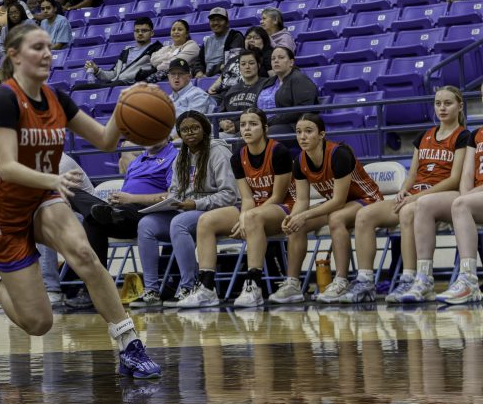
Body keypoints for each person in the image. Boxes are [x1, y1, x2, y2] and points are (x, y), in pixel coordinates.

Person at [0, 25, 161, 380]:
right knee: (38, 323)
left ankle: (129, 345)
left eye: (49, 47)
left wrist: (127, 102)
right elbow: (8, 167)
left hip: (42, 197)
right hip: (3, 208)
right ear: (14, 55)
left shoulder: (57, 99)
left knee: (83, 254)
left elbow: (106, 141)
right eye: (38, 47)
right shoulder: (4, 100)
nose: (48, 54)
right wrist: (54, 179)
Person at [338, 87, 471, 305]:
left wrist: (417, 197)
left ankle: (409, 278)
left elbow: (454, 179)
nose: (442, 108)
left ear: (460, 106)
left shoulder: (463, 136)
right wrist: (403, 189)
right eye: (438, 103)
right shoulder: (424, 136)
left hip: (442, 197)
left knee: (408, 211)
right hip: (416, 195)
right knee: (364, 215)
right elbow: (412, 174)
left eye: (448, 103)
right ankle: (365, 282)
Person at [179, 108, 294, 309]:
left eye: (253, 124)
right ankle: (206, 288)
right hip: (252, 209)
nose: (247, 129)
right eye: (243, 125)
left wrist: (247, 217)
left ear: (265, 128)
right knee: (206, 220)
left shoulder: (279, 152)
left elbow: (277, 196)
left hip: (282, 209)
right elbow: (247, 198)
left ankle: (253, 285)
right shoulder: (238, 156)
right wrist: (243, 217)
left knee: (252, 218)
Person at [267, 113, 383, 305]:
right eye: (299, 132)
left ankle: (341, 281)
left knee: (336, 218)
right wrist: (293, 217)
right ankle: (292, 285)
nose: (303, 136)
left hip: (367, 200)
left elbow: (338, 200)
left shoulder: (339, 154)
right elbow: (302, 200)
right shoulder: (300, 161)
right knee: (297, 225)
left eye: (308, 131)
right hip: (339, 205)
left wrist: (304, 215)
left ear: (321, 134)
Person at [128, 111, 238, 309]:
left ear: (205, 129)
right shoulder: (181, 156)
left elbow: (229, 195)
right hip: (186, 210)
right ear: (179, 133)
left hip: (216, 212)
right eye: (185, 130)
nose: (190, 133)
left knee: (179, 223)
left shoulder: (218, 152)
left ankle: (189, 286)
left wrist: (195, 204)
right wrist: (171, 202)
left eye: (195, 128)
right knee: (146, 224)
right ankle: (151, 290)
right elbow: (175, 191)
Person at [66, 135, 178, 306]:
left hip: (150, 213)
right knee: (74, 194)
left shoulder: (174, 157)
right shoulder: (137, 161)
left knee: (93, 219)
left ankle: (95, 291)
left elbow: (173, 196)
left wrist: (132, 198)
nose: (150, 135)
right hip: (124, 213)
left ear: (166, 135)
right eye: (147, 133)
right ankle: (108, 212)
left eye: (155, 132)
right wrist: (117, 199)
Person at [434, 103, 483, 304]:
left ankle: (468, 280)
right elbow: (467, 174)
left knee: (461, 205)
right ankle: (420, 278)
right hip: (478, 195)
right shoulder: (477, 134)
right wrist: (466, 195)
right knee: (457, 204)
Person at [82, 17, 161, 87]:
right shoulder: (127, 51)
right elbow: (114, 74)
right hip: (116, 83)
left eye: (144, 31)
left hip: (131, 85)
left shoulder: (156, 49)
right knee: (79, 88)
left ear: (152, 33)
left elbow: (158, 71)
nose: (140, 33)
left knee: (115, 84)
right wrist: (97, 70)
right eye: (137, 31)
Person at [257, 46, 319, 133]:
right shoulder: (268, 82)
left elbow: (303, 109)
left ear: (291, 62)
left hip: (296, 126)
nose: (276, 61)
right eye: (273, 58)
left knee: (266, 133)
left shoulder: (299, 79)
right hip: (270, 123)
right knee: (241, 134)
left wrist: (272, 121)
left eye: (281, 57)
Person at [217, 49, 268, 134]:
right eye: (243, 64)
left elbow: (264, 115)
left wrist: (237, 126)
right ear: (239, 68)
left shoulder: (266, 85)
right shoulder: (233, 89)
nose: (247, 67)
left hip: (251, 131)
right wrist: (222, 122)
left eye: (251, 63)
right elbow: (220, 113)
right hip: (228, 131)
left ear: (258, 65)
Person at [196, 7, 244, 78]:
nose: (215, 23)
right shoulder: (207, 40)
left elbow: (232, 60)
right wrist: (198, 71)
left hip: (226, 76)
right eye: (212, 20)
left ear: (227, 23)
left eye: (219, 20)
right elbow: (199, 62)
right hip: (206, 78)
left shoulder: (234, 36)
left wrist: (209, 74)